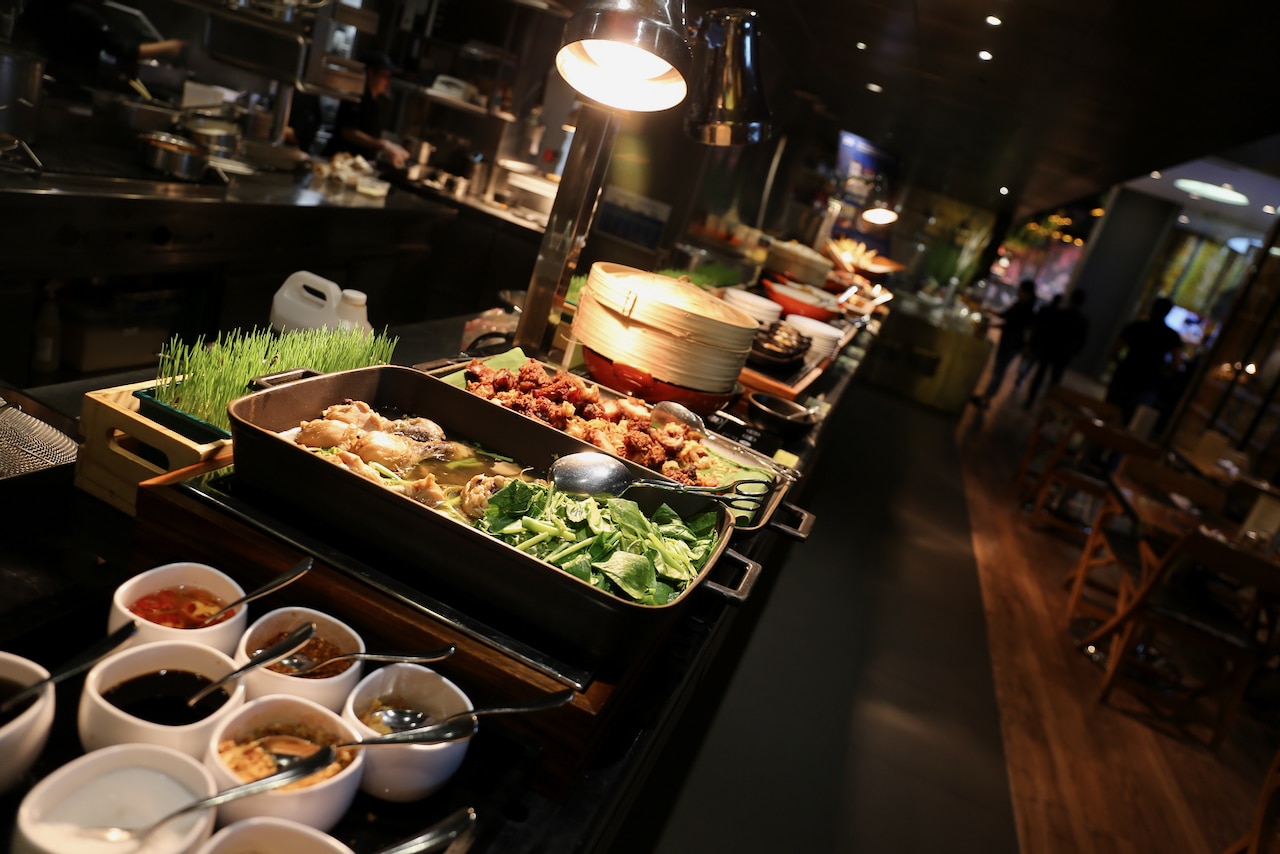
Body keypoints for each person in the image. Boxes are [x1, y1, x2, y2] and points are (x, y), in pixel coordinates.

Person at [17, 0, 187, 92]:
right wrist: (170, 46)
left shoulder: (36, 6)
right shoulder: (81, 15)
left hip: (34, 86)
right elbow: (125, 51)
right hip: (71, 90)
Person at [322, 50, 409, 168]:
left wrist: (389, 148)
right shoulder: (355, 96)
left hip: (360, 166)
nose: (388, 81)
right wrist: (384, 145)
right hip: (341, 163)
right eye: (385, 76)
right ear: (370, 72)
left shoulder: (375, 102)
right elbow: (348, 132)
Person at [1104, 295, 1183, 423]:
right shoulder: (1171, 336)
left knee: (1106, 416)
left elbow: (1114, 351)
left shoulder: (1136, 327)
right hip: (1147, 385)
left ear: (1152, 308)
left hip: (1124, 378)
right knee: (1131, 424)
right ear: (1168, 312)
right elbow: (1176, 364)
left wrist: (1123, 365)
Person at [971, 279, 1038, 409]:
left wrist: (990, 323)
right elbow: (1006, 317)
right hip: (1012, 344)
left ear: (1026, 292)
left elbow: (1009, 323)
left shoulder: (1024, 307)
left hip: (1010, 344)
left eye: (1021, 290)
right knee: (999, 370)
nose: (1019, 293)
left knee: (999, 371)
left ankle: (986, 398)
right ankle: (987, 397)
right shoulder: (1026, 307)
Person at [1022, 289, 1090, 408]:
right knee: (1055, 381)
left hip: (1050, 350)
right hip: (1064, 354)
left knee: (1040, 376)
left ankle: (1030, 401)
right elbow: (1082, 340)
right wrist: (1074, 352)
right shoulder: (1082, 320)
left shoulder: (1061, 314)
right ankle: (1046, 406)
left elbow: (1048, 331)